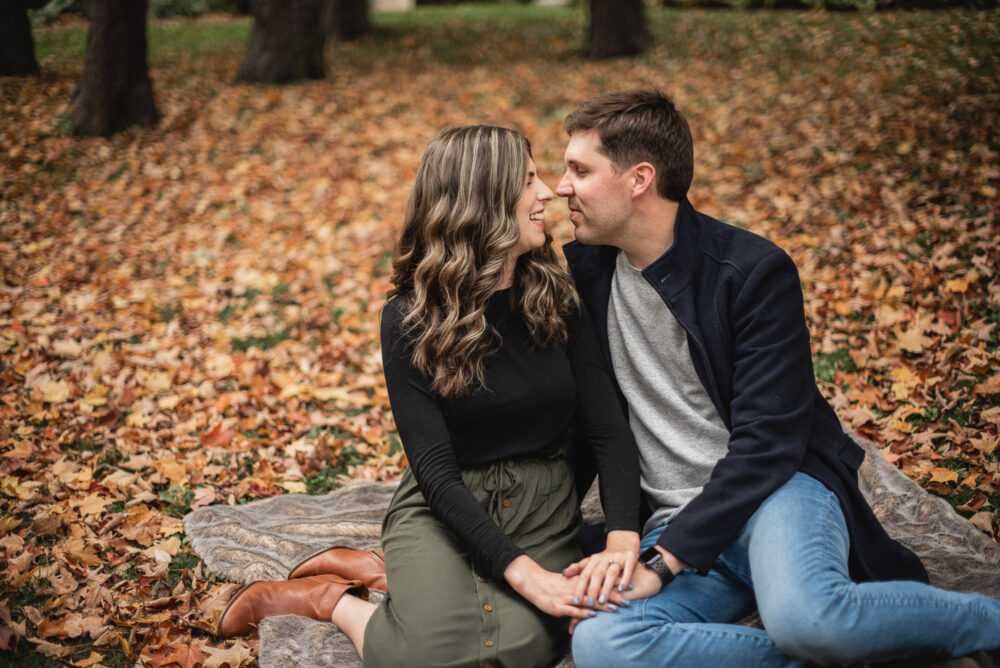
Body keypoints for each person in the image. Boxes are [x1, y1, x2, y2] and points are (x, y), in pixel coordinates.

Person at [555, 89, 1000, 667]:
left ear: (639, 179)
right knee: (602, 642)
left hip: (776, 496)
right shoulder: (584, 273)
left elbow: (770, 445)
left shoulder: (749, 271)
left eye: (579, 170)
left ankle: (984, 622)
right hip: (675, 522)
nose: (562, 187)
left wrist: (664, 561)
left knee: (807, 618)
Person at [215, 125, 643, 667]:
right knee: (418, 656)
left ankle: (389, 570)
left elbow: (608, 428)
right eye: (529, 180)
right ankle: (331, 602)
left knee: (517, 650)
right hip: (448, 500)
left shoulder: (558, 298)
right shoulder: (409, 319)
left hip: (542, 502)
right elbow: (435, 471)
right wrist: (525, 574)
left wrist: (622, 539)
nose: (546, 194)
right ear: (483, 200)